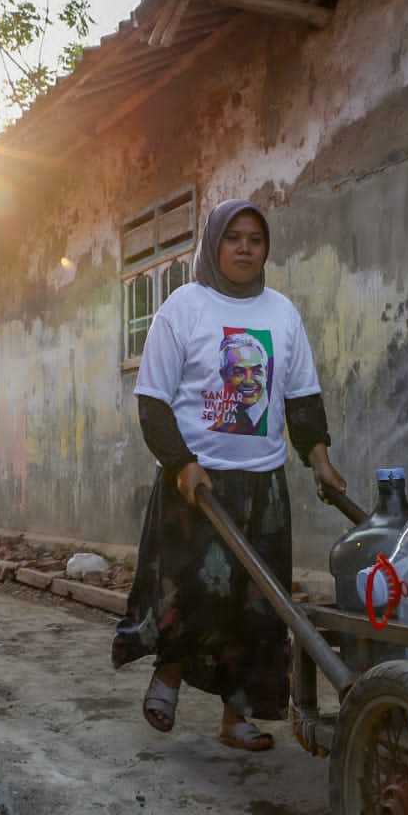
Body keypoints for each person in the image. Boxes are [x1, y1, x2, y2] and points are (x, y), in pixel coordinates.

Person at [112, 199, 345, 752]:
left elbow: (301, 397)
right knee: (193, 591)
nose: (244, 248)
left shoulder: (282, 314)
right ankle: (168, 675)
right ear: (214, 244)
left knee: (257, 605)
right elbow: (152, 401)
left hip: (262, 486)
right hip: (197, 483)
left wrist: (318, 458)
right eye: (233, 237)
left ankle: (236, 715)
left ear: (266, 250)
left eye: (255, 239)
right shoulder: (184, 307)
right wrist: (181, 464)